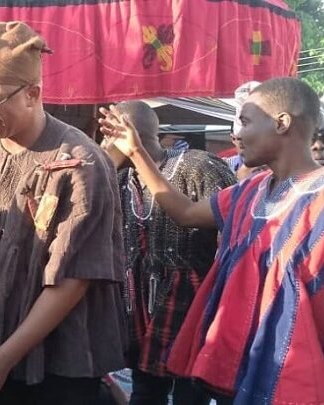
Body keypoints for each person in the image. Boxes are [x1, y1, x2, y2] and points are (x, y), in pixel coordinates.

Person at [99, 77, 324, 404]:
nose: (236, 133)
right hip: (248, 376)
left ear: (282, 123)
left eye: (245, 121)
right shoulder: (247, 193)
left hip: (309, 384)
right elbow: (184, 212)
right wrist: (137, 152)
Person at [0, 21, 127, 404]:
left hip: (53, 365)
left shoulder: (80, 162)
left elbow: (73, 279)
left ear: (33, 93)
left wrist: (2, 360)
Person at [102, 101, 236, 405]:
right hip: (140, 302)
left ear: (131, 134)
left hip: (193, 300)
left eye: (110, 133)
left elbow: (233, 232)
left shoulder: (197, 165)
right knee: (145, 390)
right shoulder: (121, 178)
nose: (105, 142)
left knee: (192, 392)